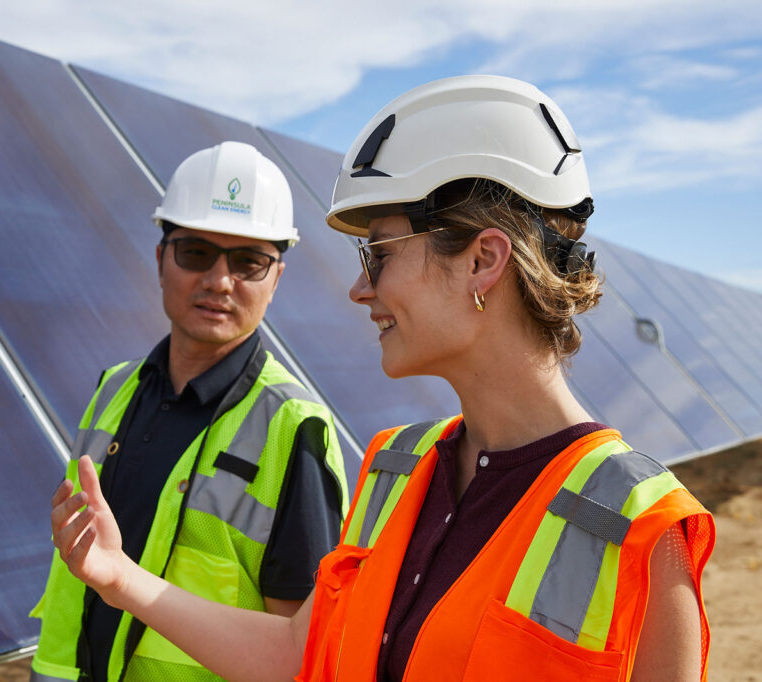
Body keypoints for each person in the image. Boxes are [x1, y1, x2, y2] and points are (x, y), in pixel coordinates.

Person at [49, 76, 715, 681]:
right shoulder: (395, 472)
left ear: (484, 260)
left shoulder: (642, 532)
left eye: (381, 254)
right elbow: (295, 658)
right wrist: (118, 578)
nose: (359, 289)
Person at [30, 141, 349, 682]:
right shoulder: (114, 388)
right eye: (196, 253)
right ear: (160, 260)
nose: (220, 281)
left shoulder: (295, 431)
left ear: (276, 280)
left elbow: (300, 651)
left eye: (250, 261)